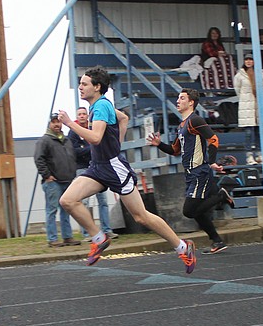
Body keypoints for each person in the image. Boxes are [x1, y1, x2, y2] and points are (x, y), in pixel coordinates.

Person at [57, 66, 198, 272]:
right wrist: (116, 144)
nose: (80, 87)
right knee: (67, 200)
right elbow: (123, 118)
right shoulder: (100, 105)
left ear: (97, 87)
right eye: (80, 83)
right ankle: (99, 238)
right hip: (98, 167)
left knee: (141, 216)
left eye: (84, 84)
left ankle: (183, 247)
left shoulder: (102, 106)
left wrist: (70, 122)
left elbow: (95, 138)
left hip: (113, 169)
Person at [147, 88, 230, 254]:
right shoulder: (182, 125)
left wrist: (212, 161)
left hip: (199, 172)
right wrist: (159, 144)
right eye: (178, 98)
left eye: (182, 98)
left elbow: (213, 139)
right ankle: (217, 241)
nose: (178, 101)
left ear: (191, 102)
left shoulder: (195, 120)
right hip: (190, 174)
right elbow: (175, 150)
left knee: (189, 211)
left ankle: (221, 195)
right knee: (197, 212)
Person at [68, 106, 115, 239]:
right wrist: (91, 148)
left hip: (98, 167)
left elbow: (98, 144)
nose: (82, 116)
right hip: (83, 168)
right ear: (77, 117)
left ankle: (106, 229)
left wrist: (87, 147)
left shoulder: (93, 128)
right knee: (83, 201)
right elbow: (75, 151)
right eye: (80, 114)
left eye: (84, 114)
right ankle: (87, 232)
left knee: (103, 201)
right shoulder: (73, 132)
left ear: (87, 115)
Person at [34, 112, 79, 248]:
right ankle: (52, 238)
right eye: (54, 122)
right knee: (52, 210)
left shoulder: (66, 140)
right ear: (49, 123)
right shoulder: (44, 141)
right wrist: (47, 176)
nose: (57, 124)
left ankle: (67, 237)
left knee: (66, 210)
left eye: (58, 122)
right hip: (53, 182)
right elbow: (39, 159)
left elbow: (72, 158)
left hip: (67, 180)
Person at [234, 52, 263, 150]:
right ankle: (249, 155)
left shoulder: (260, 73)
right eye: (246, 59)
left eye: (250, 59)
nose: (248, 61)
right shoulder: (240, 75)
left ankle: (260, 155)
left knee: (258, 132)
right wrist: (245, 98)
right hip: (246, 106)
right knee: (248, 133)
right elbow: (237, 89)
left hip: (256, 105)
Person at [199, 26, 235, 90]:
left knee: (229, 59)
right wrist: (219, 53)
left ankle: (230, 84)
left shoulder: (219, 44)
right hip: (209, 61)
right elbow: (211, 54)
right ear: (210, 35)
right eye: (213, 33)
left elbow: (223, 53)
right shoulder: (207, 43)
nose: (215, 35)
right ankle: (219, 87)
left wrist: (222, 54)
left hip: (219, 60)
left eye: (216, 33)